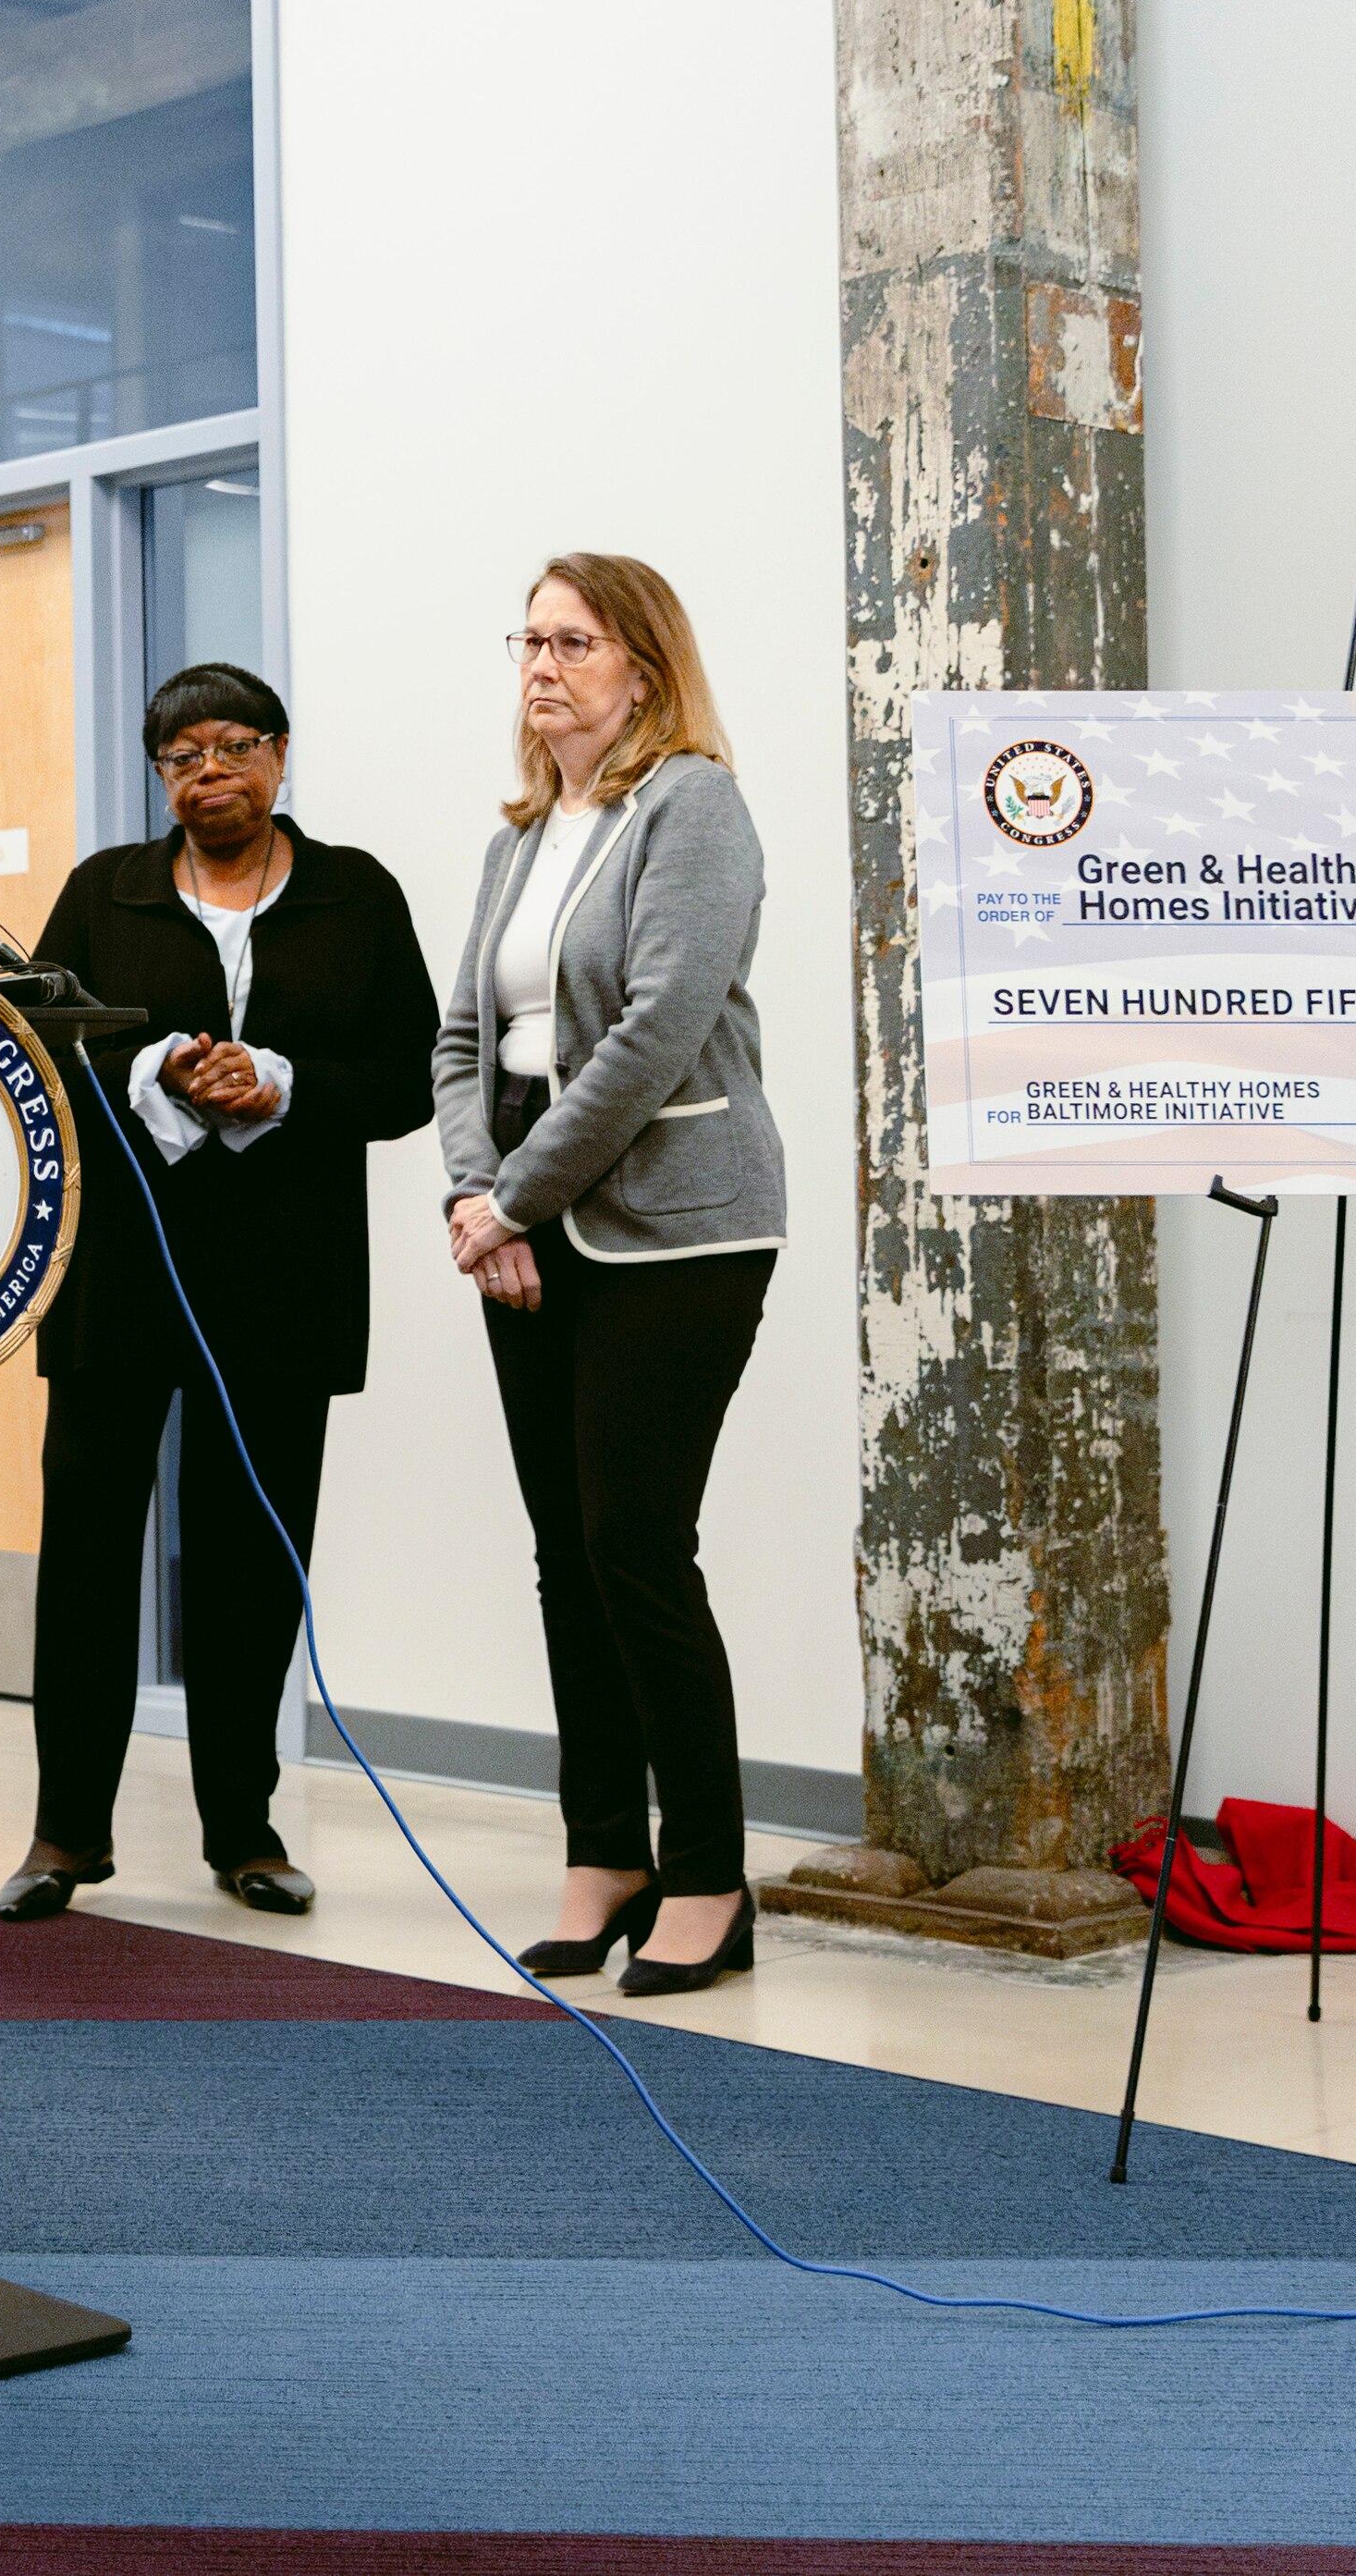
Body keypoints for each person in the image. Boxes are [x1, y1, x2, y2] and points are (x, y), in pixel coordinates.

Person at [0, 663, 435, 1925]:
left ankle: (242, 1826)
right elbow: (40, 1050)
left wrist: (283, 1082)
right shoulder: (106, 892)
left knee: (250, 1552)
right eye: (182, 754)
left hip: (284, 1279)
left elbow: (410, 1077)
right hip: (120, 1272)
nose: (212, 771)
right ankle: (64, 1832)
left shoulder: (356, 894)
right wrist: (156, 1076)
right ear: (160, 777)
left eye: (234, 744)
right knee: (86, 1550)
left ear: (280, 755)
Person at [430, 555, 785, 1998]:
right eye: (527, 637)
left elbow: (652, 1033)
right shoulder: (522, 834)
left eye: (573, 640)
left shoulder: (693, 803)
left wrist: (509, 1194)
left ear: (643, 664)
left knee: (639, 1546)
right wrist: (475, 1194)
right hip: (524, 1227)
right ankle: (605, 1852)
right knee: (564, 1557)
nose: (542, 663)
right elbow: (463, 1038)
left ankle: (707, 1872)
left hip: (677, 1225)